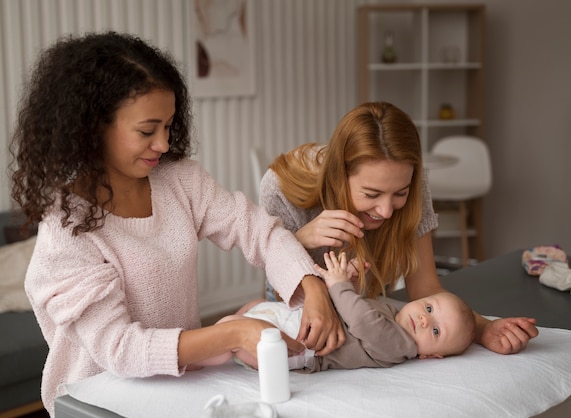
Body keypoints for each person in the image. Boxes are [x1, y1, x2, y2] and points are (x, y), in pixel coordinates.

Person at [9, 31, 343, 416]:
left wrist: (311, 286)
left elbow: (259, 230)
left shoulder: (180, 182)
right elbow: (120, 349)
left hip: (177, 385)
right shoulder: (69, 227)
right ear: (92, 127)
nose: (164, 144)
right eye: (147, 131)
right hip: (96, 400)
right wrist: (231, 332)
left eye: (168, 126)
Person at [260, 101, 539, 355]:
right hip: (294, 311)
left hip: (365, 317)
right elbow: (279, 291)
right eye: (371, 194)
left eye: (400, 193)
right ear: (338, 176)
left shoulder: (415, 184)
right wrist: (297, 241)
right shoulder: (281, 189)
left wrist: (482, 329)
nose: (386, 211)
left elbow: (425, 287)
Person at [200, 251, 476, 371]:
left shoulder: (401, 345)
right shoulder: (394, 309)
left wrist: (339, 285)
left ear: (431, 355)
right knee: (252, 307)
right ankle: (214, 341)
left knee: (235, 334)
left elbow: (362, 321)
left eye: (437, 330)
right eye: (429, 308)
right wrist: (352, 283)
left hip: (303, 346)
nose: (425, 320)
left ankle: (200, 357)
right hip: (303, 318)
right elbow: (356, 309)